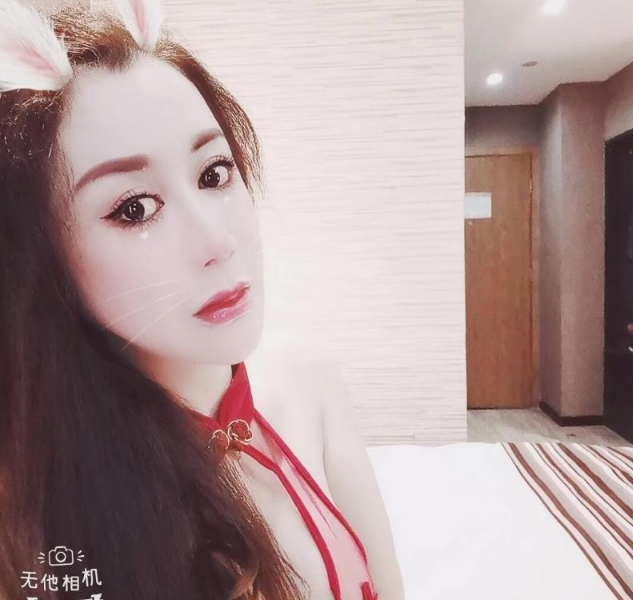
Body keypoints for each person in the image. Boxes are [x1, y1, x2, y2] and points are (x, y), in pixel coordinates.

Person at [0, 1, 405, 599]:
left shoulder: (311, 383)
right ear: (47, 265)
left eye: (214, 173)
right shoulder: (44, 499)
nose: (218, 242)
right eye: (135, 208)